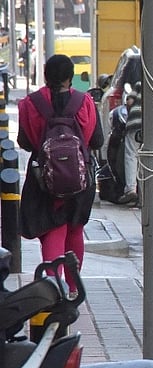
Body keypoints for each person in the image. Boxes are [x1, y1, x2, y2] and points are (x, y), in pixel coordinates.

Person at [17, 54, 103, 290]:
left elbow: (24, 142)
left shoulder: (30, 103)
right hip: (80, 176)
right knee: (75, 228)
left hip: (44, 178)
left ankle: (54, 288)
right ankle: (74, 290)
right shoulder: (84, 102)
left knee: (53, 228)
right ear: (70, 77)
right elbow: (97, 140)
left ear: (45, 75)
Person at [119, 81, 141, 204]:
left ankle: (131, 189)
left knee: (132, 156)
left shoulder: (139, 83)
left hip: (135, 123)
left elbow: (130, 101)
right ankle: (145, 191)